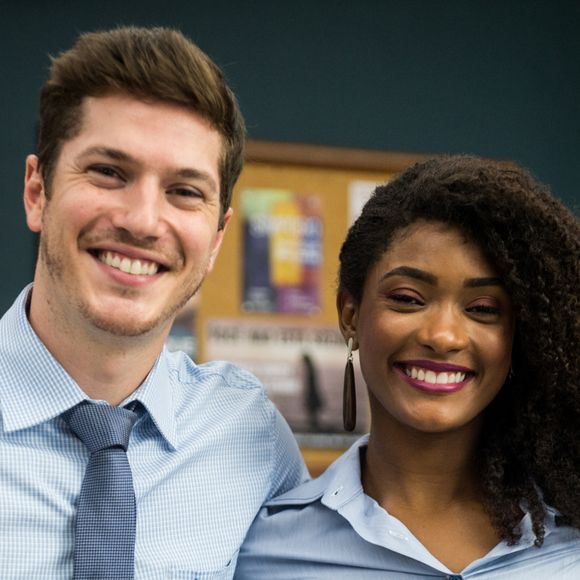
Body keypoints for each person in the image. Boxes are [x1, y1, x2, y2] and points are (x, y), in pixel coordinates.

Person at [0, 27, 307, 578]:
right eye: (109, 172)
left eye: (184, 191)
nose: (142, 221)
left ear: (216, 238)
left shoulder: (248, 434)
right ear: (37, 192)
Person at [235, 155, 580, 578]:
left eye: (483, 308)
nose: (443, 335)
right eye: (407, 298)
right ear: (350, 315)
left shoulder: (572, 536)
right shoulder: (265, 552)